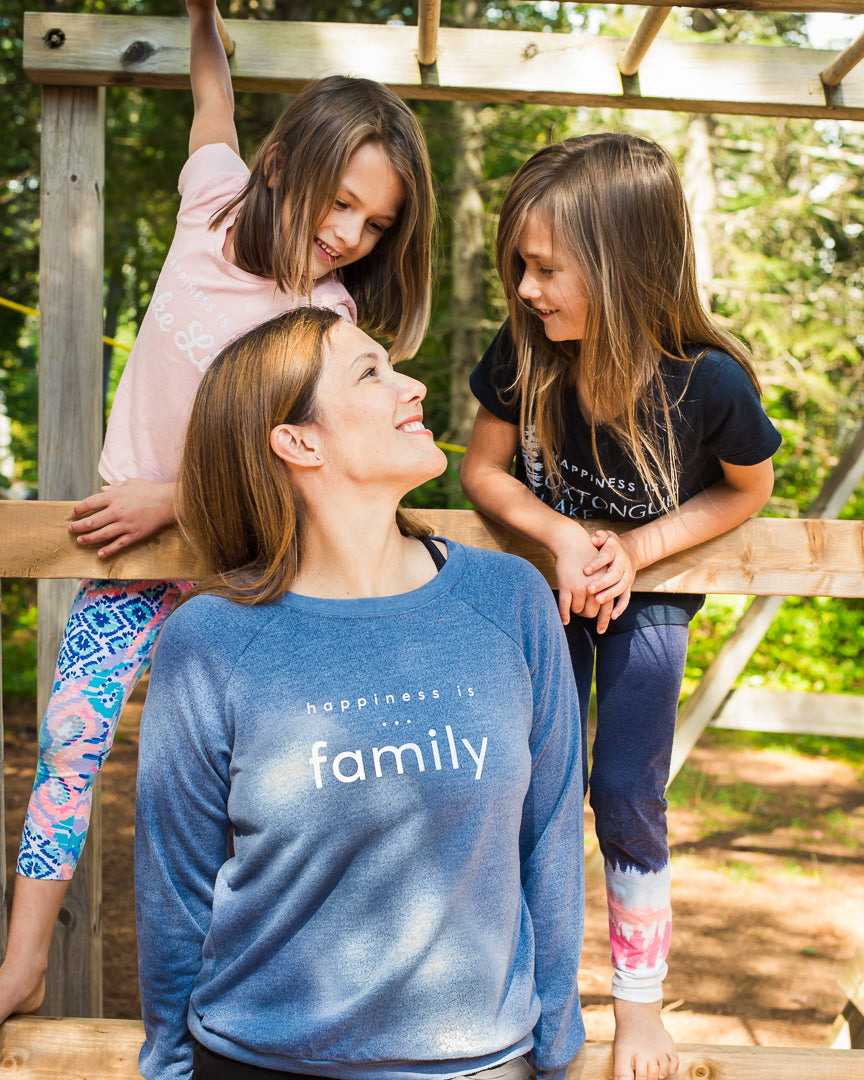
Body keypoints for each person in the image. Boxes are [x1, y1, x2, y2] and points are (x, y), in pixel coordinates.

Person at [0, 0, 434, 1022]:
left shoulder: (327, 320)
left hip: (235, 557)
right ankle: (19, 963)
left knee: (259, 771)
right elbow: (211, 98)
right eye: (341, 204)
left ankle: (291, 977)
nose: (347, 237)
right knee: (72, 740)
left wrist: (168, 495)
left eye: (373, 226)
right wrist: (203, 18)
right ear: (282, 163)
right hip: (126, 558)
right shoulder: (212, 199)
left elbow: (296, 464)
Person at [134, 306, 586, 1080]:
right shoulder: (211, 640)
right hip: (261, 1059)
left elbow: (550, 837)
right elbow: (174, 885)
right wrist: (170, 1066)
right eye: (370, 372)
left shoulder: (511, 600)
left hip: (478, 1062)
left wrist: (555, 1046)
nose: (409, 385)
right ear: (297, 439)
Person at [461, 133, 782, 1080]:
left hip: (646, 607)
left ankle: (638, 1006)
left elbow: (747, 491)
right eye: (520, 264)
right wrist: (562, 535)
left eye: (547, 268)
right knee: (527, 790)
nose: (525, 287)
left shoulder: (709, 381)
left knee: (626, 795)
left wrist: (638, 552)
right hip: (545, 598)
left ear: (624, 265)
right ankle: (526, 994)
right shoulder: (524, 351)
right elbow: (481, 468)